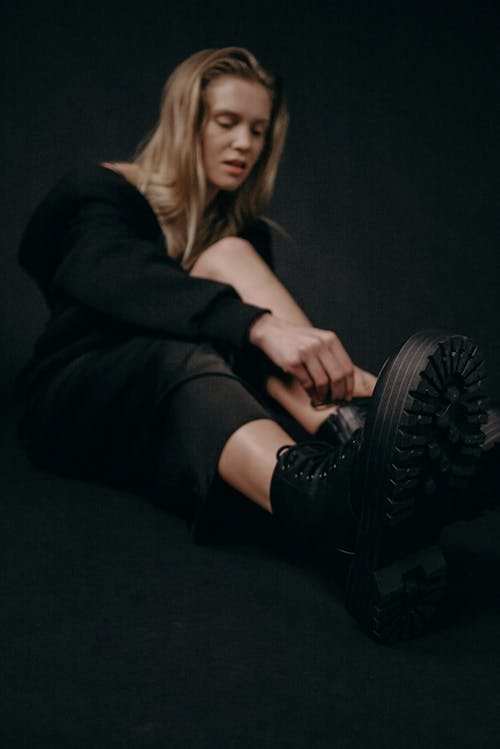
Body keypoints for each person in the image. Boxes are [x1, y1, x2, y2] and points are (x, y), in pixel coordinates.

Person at [16, 47, 498, 643]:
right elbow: (105, 273)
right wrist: (261, 326)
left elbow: (254, 361)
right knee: (200, 344)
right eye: (226, 123)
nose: (245, 143)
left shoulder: (236, 235)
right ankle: (322, 501)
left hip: (171, 415)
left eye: (259, 131)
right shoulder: (102, 191)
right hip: (73, 403)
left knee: (230, 261)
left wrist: (358, 381)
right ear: (185, 121)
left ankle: (368, 439)